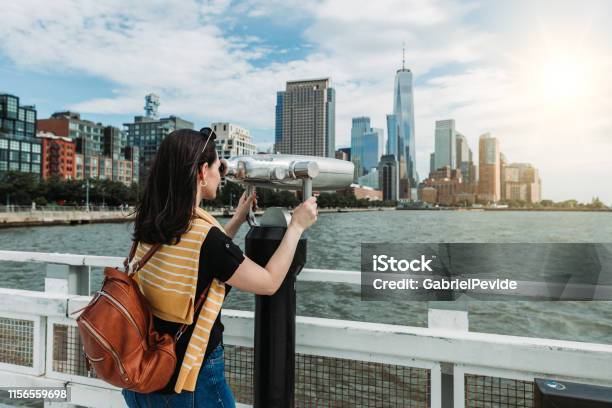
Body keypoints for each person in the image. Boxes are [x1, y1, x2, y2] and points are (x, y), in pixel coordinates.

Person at [122, 127, 317, 408]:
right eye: (216, 167)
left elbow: (201, 261)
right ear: (202, 173)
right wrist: (297, 226)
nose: (219, 174)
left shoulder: (152, 224)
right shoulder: (204, 237)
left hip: (142, 372)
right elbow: (269, 281)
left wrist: (238, 219)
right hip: (190, 379)